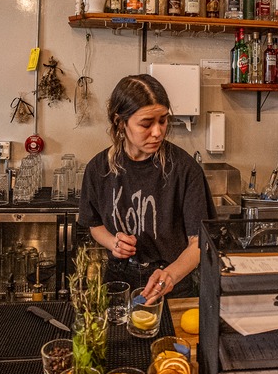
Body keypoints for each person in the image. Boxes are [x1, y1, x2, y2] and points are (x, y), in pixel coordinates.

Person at [78, 74, 214, 302]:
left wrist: (170, 275)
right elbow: (94, 224)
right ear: (120, 122)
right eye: (146, 124)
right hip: (117, 283)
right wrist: (114, 243)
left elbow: (199, 243)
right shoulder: (98, 169)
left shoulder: (184, 169)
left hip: (173, 284)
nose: (158, 132)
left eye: (162, 120)